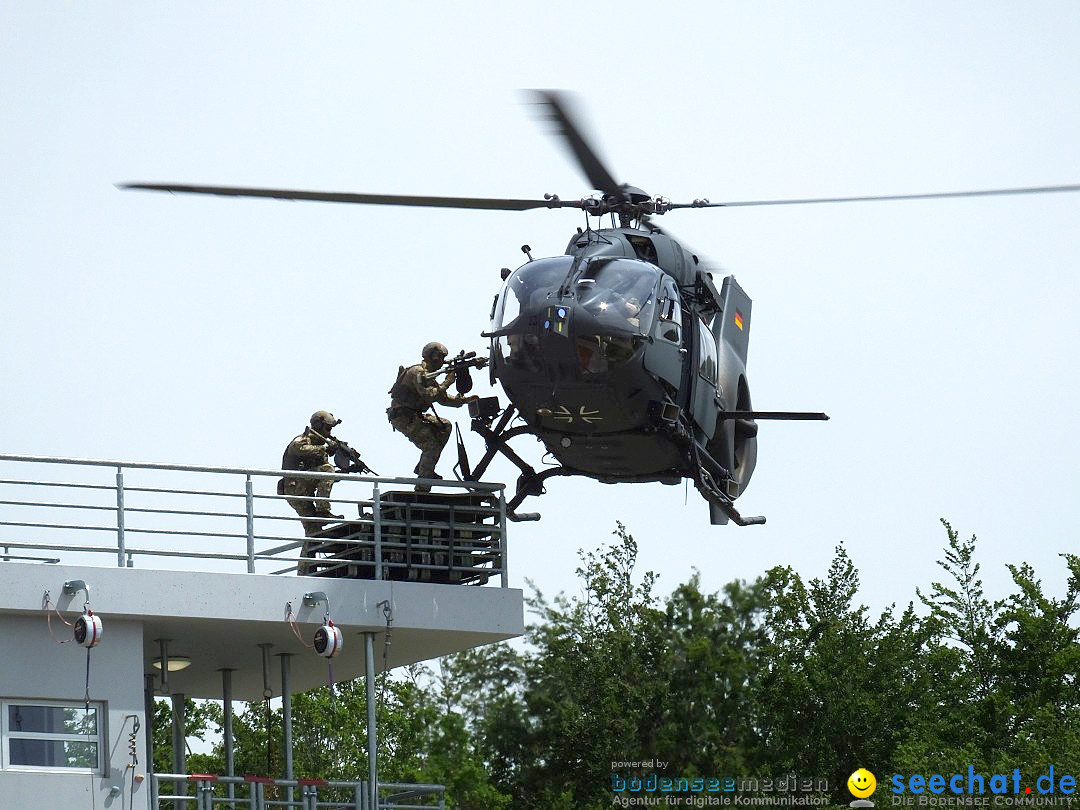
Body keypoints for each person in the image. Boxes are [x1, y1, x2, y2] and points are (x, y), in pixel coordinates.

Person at [387, 342, 475, 491]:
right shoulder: (418, 372)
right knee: (431, 445)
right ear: (432, 357)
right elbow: (429, 396)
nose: (441, 363)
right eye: (439, 358)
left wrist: (464, 400)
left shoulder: (428, 376)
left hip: (412, 414)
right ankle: (422, 486)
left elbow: (443, 399)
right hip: (402, 416)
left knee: (445, 426)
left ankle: (425, 467)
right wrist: (447, 382)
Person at [279, 410, 344, 536]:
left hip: (298, 490)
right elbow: (298, 448)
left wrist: (346, 470)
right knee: (328, 470)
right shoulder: (303, 439)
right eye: (327, 428)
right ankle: (323, 510)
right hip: (296, 486)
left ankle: (307, 555)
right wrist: (325, 449)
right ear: (318, 425)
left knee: (313, 531)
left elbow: (324, 477)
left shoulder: (318, 444)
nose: (328, 433)